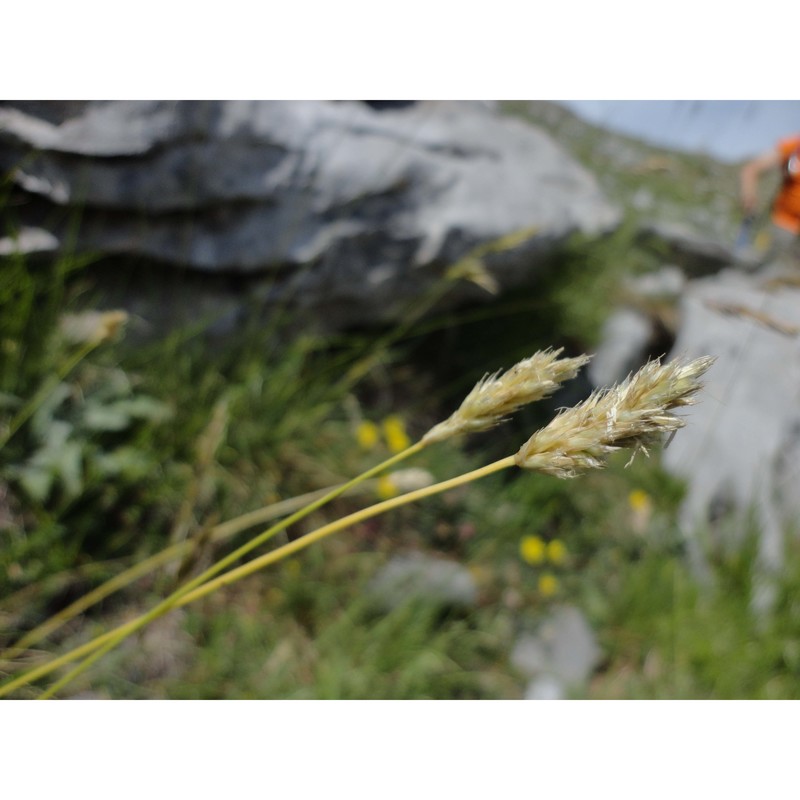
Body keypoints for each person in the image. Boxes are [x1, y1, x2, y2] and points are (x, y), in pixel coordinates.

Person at [740, 134, 800, 263]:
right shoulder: (794, 146)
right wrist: (749, 194)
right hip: (778, 221)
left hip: (793, 233)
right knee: (752, 263)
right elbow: (752, 169)